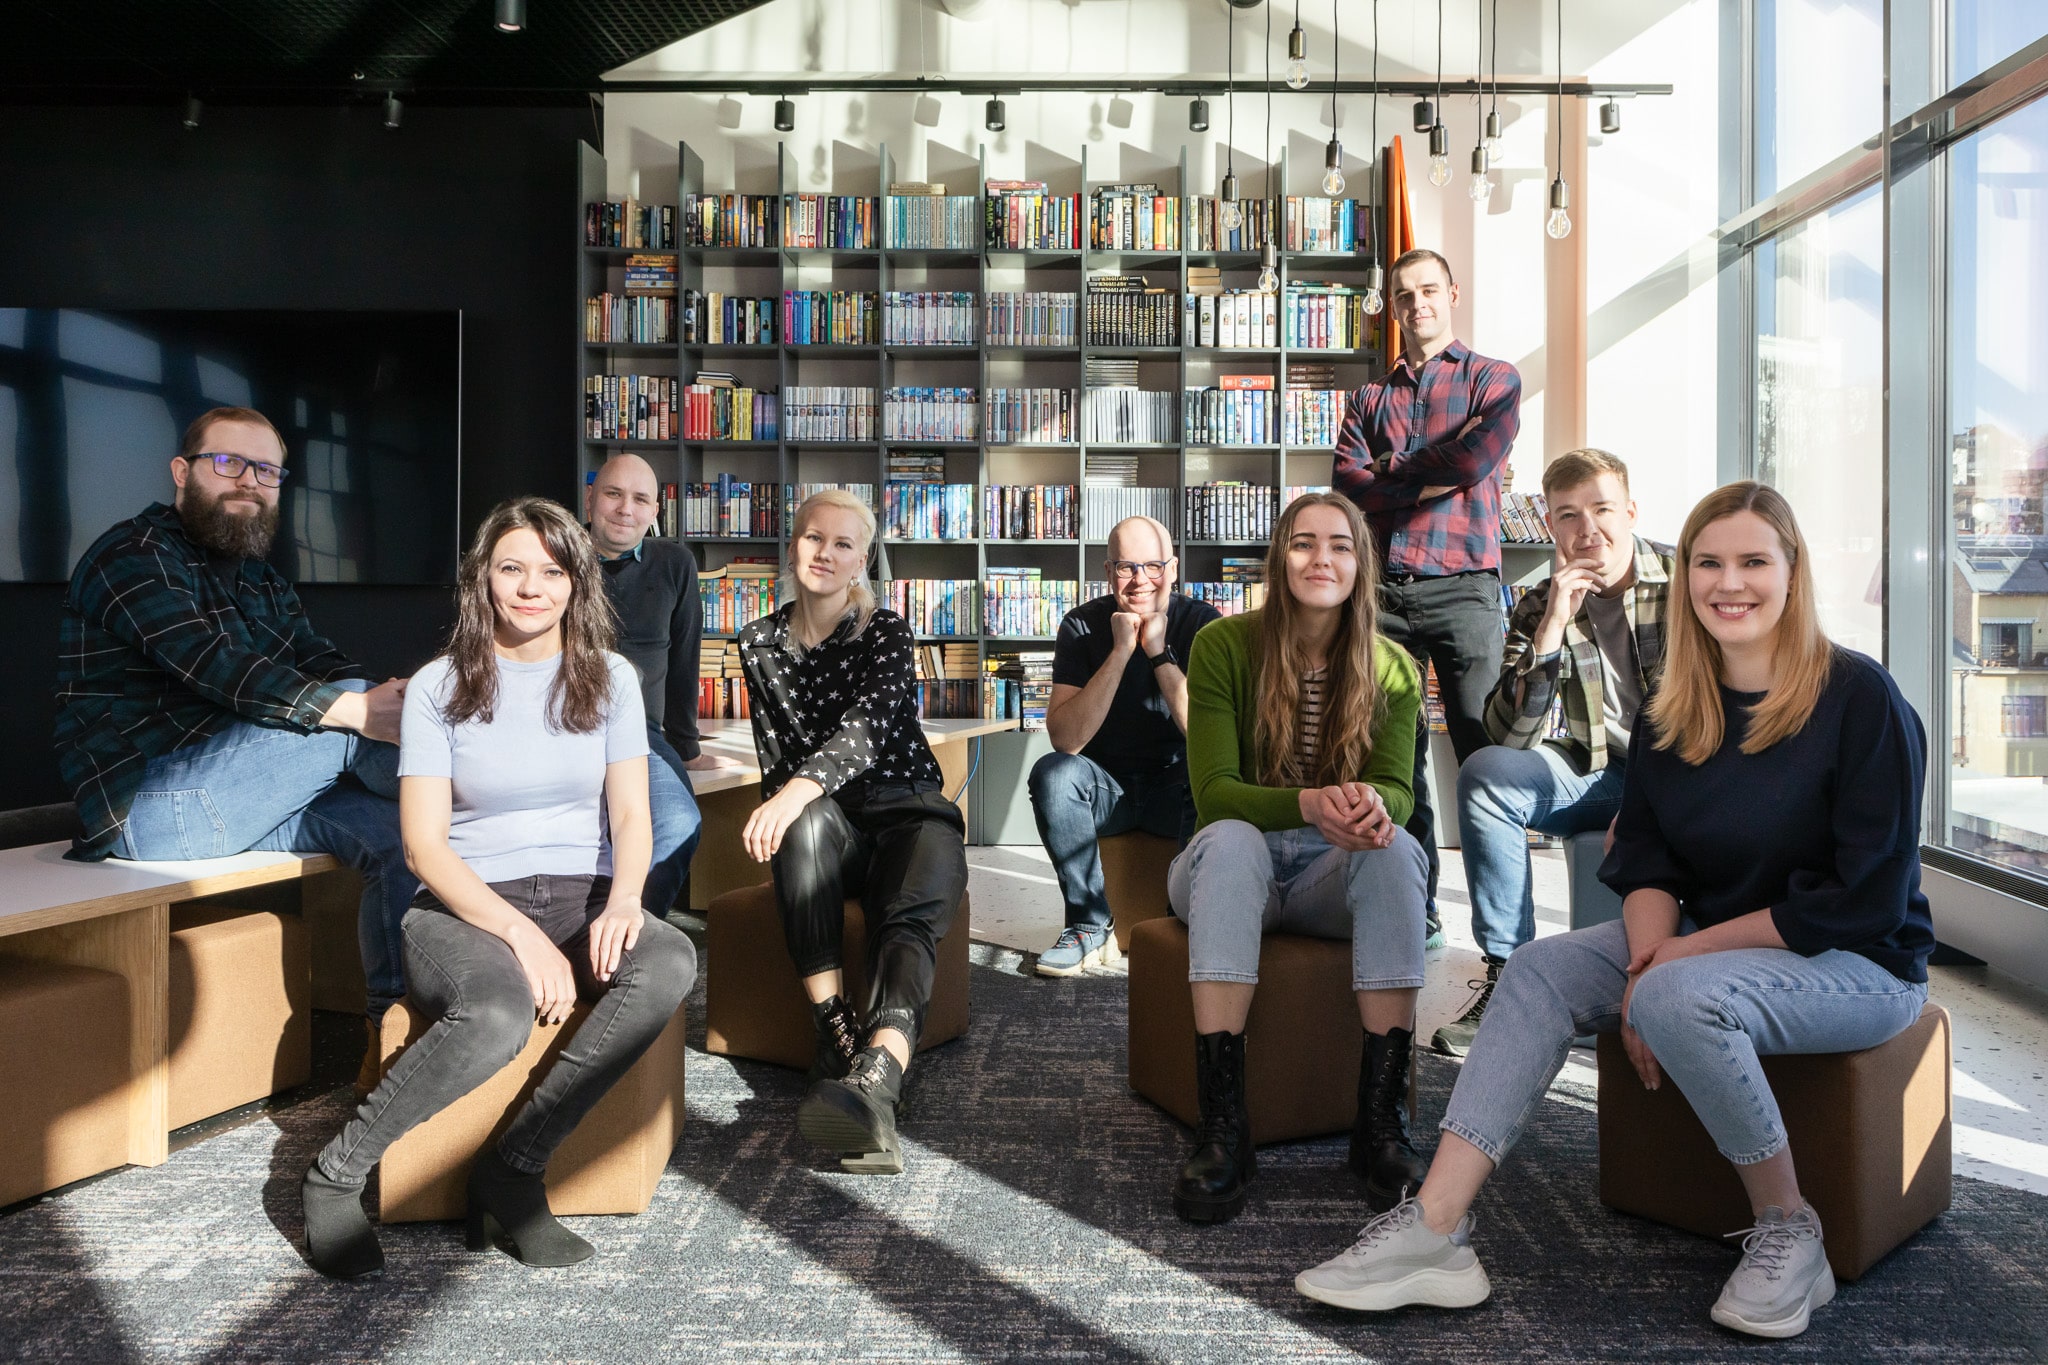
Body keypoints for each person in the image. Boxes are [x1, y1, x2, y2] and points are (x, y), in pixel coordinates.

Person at [1295, 482, 1936, 1341]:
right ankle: (1435, 1231)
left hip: (1860, 962)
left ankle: (1791, 1229)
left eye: (1754, 561)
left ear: (1794, 572)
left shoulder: (1862, 699)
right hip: (1715, 946)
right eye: (1710, 562)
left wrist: (1674, 966)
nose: (1728, 582)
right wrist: (1646, 963)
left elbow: (1865, 899)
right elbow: (1647, 864)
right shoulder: (1678, 707)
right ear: (1687, 577)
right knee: (1540, 967)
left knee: (1677, 993)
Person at [300, 497, 696, 1280]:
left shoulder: (611, 678)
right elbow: (421, 846)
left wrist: (623, 900)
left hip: (582, 895)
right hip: (463, 907)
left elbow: (630, 809)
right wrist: (518, 935)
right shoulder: (438, 686)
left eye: (552, 571)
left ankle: (514, 1166)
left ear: (577, 583)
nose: (531, 588)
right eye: (512, 568)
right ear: (482, 579)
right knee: (497, 1011)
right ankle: (335, 1175)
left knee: (671, 959)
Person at [55, 405, 415, 1094]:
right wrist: (362, 707)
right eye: (230, 463)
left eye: (268, 469)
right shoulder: (129, 555)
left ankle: (392, 1041)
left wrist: (404, 697)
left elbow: (319, 659)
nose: (250, 480)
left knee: (406, 836)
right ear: (182, 471)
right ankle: (517, 792)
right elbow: (211, 663)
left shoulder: (259, 580)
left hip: (246, 793)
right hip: (149, 811)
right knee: (364, 719)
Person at [1169, 492, 1431, 1224]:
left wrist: (1373, 808)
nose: (1322, 559)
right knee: (1230, 838)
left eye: (1341, 545)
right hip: (1227, 867)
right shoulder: (1222, 645)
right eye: (1304, 543)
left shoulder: (1394, 667)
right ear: (1278, 557)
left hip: (1326, 875)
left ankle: (1379, 1125)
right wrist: (1312, 802)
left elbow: (1399, 791)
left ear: (1361, 563)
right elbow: (1215, 793)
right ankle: (1223, 1125)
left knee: (1394, 846)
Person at [736, 488, 968, 1175]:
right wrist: (787, 801)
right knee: (798, 816)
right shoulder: (758, 642)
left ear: (861, 559)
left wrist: (793, 792)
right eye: (813, 538)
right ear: (793, 545)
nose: (825, 553)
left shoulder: (886, 630)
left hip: (908, 807)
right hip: (828, 823)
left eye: (842, 543)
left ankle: (878, 1076)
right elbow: (777, 754)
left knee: (909, 913)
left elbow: (864, 730)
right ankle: (836, 1033)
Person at [1433, 449, 1673, 1056]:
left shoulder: (1685, 583)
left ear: (1632, 511)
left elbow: (1707, 723)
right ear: (1549, 525)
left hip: (1678, 779)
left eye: (1602, 509)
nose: (1587, 529)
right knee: (1486, 776)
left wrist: (1648, 806)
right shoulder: (1542, 601)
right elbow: (1509, 737)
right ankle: (1510, 978)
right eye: (1568, 515)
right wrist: (1551, 631)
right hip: (1596, 769)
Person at [1332, 248, 1523, 943]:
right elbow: (1349, 487)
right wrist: (1418, 477)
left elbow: (1474, 461)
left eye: (1429, 290)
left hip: (1466, 591)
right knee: (1392, 757)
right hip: (1381, 595)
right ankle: (1419, 909)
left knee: (1485, 762)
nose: (1417, 305)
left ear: (1453, 294)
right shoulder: (1368, 398)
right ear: (1393, 304)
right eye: (1404, 294)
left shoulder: (1494, 380)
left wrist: (1392, 472)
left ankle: (1503, 943)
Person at [1030, 516, 1221, 976]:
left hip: (1175, 793)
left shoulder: (1204, 624)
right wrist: (1120, 651)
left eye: (1153, 565)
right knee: (1051, 773)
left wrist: (1158, 652)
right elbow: (1066, 739)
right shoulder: (1081, 625)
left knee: (1209, 774)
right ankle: (1089, 924)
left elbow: (1207, 734)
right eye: (1125, 567)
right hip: (1105, 790)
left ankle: (1182, 922)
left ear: (1173, 569)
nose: (1140, 580)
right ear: (1107, 569)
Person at [586, 453, 731, 915]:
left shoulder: (674, 562)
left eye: (640, 499)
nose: (625, 508)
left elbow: (685, 657)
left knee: (678, 825)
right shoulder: (554, 556)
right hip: (563, 729)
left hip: (641, 738)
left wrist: (686, 747)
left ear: (654, 512)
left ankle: (630, 939)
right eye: (613, 494)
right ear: (590, 498)